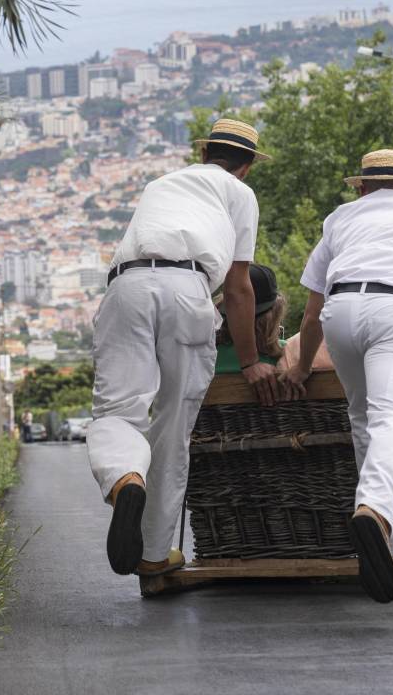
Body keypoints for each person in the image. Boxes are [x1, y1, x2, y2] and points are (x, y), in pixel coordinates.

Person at [88, 118, 280, 579]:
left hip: (127, 284)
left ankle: (124, 480)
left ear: (204, 154)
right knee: (174, 428)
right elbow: (238, 289)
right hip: (189, 288)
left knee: (118, 411)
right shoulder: (240, 195)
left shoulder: (162, 184)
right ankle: (154, 555)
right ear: (247, 166)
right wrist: (251, 361)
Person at [282, 149, 393, 603]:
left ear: (361, 186)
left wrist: (301, 368)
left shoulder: (340, 218)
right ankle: (376, 511)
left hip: (340, 311)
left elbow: (310, 311)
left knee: (364, 421)